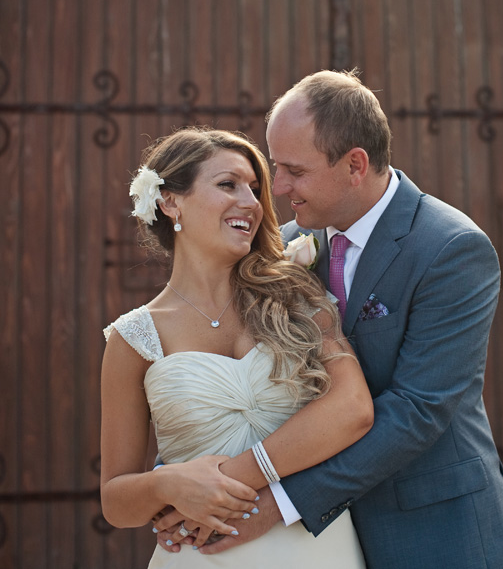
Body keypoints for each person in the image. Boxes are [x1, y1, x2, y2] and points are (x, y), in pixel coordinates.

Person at [166, 69, 503, 569]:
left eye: (295, 171)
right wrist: (185, 472)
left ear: (355, 165)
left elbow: (417, 410)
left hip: (433, 534)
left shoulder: (451, 249)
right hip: (319, 549)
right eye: (276, 168)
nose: (278, 189)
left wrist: (277, 502)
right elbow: (228, 362)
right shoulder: (287, 245)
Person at [100, 126, 373, 568]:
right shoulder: (134, 338)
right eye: (228, 184)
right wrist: (169, 486)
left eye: (255, 188)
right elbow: (115, 500)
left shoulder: (297, 297)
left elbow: (354, 408)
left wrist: (232, 475)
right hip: (200, 556)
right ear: (171, 201)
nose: (251, 202)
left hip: (318, 547)